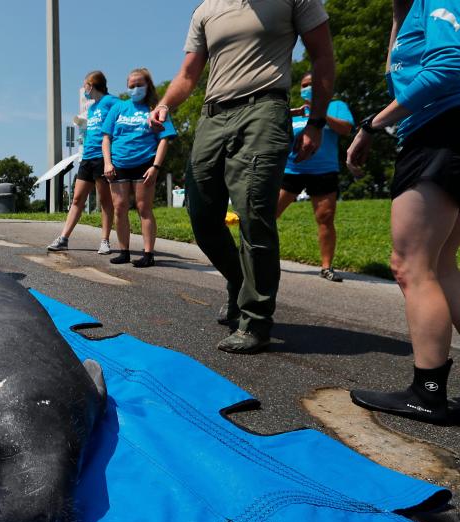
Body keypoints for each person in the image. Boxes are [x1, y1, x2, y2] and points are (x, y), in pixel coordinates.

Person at [150, 0, 335, 354]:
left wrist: (316, 122)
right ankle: (238, 280)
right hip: (212, 115)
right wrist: (164, 105)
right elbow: (188, 73)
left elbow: (323, 57)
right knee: (202, 215)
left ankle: (255, 321)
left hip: (264, 109)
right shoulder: (206, 9)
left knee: (253, 213)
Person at [347, 0, 460, 425]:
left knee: (410, 265)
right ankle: (429, 389)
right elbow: (399, 74)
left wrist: (372, 124)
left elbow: (449, 65)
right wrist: (398, 14)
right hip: (444, 133)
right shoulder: (414, 10)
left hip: (439, 133)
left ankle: (427, 392)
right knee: (441, 265)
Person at [277, 72, 355, 282]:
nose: (307, 88)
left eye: (312, 83)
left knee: (325, 217)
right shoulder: (296, 110)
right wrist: (293, 113)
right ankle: (257, 256)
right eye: (304, 85)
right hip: (291, 171)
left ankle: (326, 267)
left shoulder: (336, 105)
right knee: (268, 214)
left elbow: (346, 129)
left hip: (324, 171)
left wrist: (319, 114)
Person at [102, 68, 176, 267]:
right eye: (131, 85)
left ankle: (148, 253)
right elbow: (106, 137)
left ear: (148, 86)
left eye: (139, 84)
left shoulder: (156, 109)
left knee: (144, 208)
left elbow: (164, 140)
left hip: (145, 164)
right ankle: (124, 251)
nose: (135, 88)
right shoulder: (118, 108)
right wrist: (108, 163)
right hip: (119, 165)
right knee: (119, 208)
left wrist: (155, 166)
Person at [47, 71, 116, 255]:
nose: (84, 88)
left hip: (103, 158)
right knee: (77, 199)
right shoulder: (92, 108)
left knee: (105, 201)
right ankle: (63, 238)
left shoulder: (111, 102)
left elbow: (124, 115)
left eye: (85, 85)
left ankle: (105, 241)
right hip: (87, 158)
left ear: (91, 85)